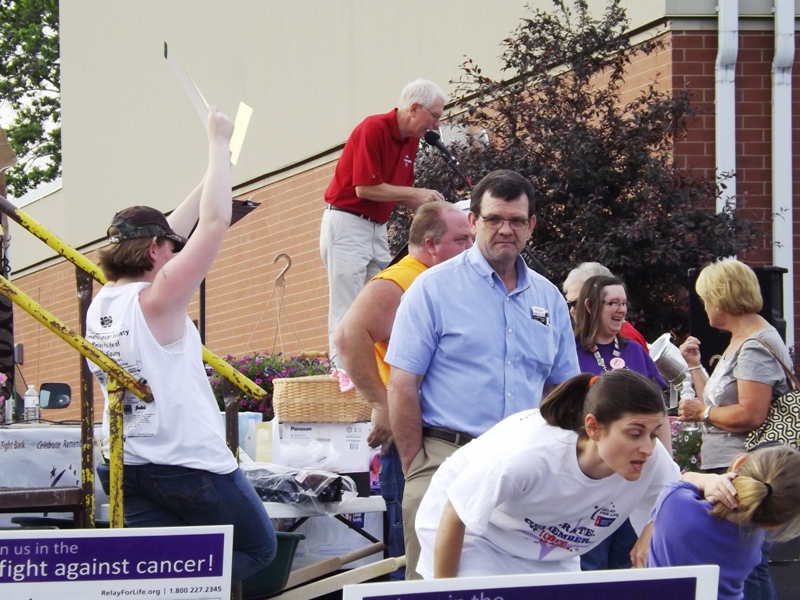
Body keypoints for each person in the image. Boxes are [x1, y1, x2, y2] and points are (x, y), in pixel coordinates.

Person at [86, 108, 276, 583]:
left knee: (158, 569)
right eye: (171, 247)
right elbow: (213, 222)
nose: (177, 250)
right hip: (187, 464)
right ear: (154, 252)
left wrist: (219, 163)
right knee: (257, 549)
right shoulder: (160, 298)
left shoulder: (101, 301)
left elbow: (177, 222)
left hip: (126, 462)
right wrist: (216, 141)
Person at [385, 169, 579, 578]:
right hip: (446, 458)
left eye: (517, 220)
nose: (506, 229)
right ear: (473, 222)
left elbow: (563, 390)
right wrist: (415, 466)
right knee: (434, 587)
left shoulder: (550, 299)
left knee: (519, 585)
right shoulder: (432, 288)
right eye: (494, 219)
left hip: (523, 468)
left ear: (531, 226)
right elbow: (402, 383)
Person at [415, 370, 683, 579]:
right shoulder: (529, 455)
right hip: (473, 533)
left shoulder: (650, 458)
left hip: (546, 553)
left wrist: (653, 525)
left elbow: (677, 495)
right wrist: (446, 593)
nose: (648, 448)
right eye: (635, 433)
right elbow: (455, 513)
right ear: (593, 428)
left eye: (653, 434)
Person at [332, 201, 473, 579]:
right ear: (431, 245)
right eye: (461, 240)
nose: (470, 248)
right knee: (415, 553)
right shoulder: (402, 279)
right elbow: (347, 336)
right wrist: (382, 405)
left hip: (439, 435)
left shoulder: (441, 279)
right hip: (415, 436)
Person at [678, 258, 792, 600]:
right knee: (741, 562)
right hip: (732, 465)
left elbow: (750, 414)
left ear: (721, 298)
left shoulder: (755, 345)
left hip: (744, 468)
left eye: (705, 299)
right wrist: (695, 366)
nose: (704, 306)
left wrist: (703, 413)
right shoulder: (742, 339)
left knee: (747, 566)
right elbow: (716, 402)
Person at [321, 79, 447, 363]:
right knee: (347, 304)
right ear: (414, 109)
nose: (437, 124)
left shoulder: (411, 141)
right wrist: (416, 194)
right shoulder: (373, 128)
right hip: (347, 223)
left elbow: (399, 193)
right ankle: (343, 374)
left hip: (377, 227)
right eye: (435, 115)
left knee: (382, 304)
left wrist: (440, 211)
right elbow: (364, 188)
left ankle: (381, 371)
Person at [572, 275, 671, 572]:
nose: (621, 310)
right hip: (591, 480)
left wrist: (665, 459)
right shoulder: (569, 351)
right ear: (590, 306)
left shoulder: (634, 351)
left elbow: (659, 413)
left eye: (624, 303)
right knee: (590, 564)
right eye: (612, 303)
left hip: (632, 480)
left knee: (628, 563)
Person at [648, 445, 800, 600]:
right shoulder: (752, 543)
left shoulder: (675, 504)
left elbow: (682, 480)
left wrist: (708, 480)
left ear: (740, 462)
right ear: (773, 525)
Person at [562, 262, 648, 349]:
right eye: (569, 304)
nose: (572, 311)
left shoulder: (627, 340)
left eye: (577, 303)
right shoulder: (577, 343)